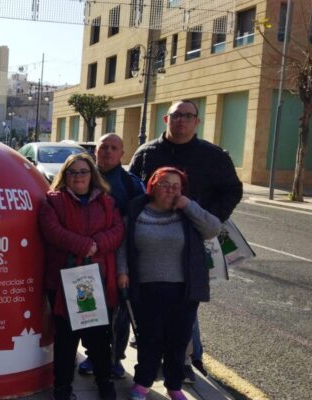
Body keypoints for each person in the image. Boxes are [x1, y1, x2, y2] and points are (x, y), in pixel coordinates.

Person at [129, 99, 243, 382]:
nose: (182, 120)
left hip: (191, 239)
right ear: (166, 120)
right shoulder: (146, 152)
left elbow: (232, 190)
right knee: (148, 304)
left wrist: (209, 219)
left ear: (197, 122)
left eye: (188, 116)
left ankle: (186, 362)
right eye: (176, 115)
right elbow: (132, 188)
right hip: (151, 239)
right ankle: (153, 362)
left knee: (185, 302)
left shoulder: (213, 155)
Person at [117, 167, 221, 400]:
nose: (170, 190)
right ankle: (143, 383)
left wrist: (188, 205)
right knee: (149, 339)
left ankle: (174, 386)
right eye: (165, 184)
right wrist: (122, 271)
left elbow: (213, 229)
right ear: (153, 186)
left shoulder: (187, 213)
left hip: (184, 289)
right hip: (146, 288)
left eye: (176, 186)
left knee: (179, 339)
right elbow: (122, 245)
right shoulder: (136, 211)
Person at [38, 153, 124, 400]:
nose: (78, 176)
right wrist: (85, 245)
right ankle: (62, 388)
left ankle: (105, 383)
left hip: (98, 279)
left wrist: (96, 244)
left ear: (92, 174)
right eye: (73, 172)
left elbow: (117, 231)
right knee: (66, 340)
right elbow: (52, 231)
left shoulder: (107, 202)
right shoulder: (52, 201)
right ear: (65, 176)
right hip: (65, 281)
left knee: (99, 340)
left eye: (83, 171)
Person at [78, 133, 145, 379]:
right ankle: (92, 356)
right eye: (103, 147)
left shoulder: (131, 183)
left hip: (118, 255)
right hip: (87, 253)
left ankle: (116, 358)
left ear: (122, 154)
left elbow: (138, 221)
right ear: (95, 151)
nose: (107, 151)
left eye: (113, 148)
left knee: (119, 312)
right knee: (88, 307)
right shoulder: (81, 175)